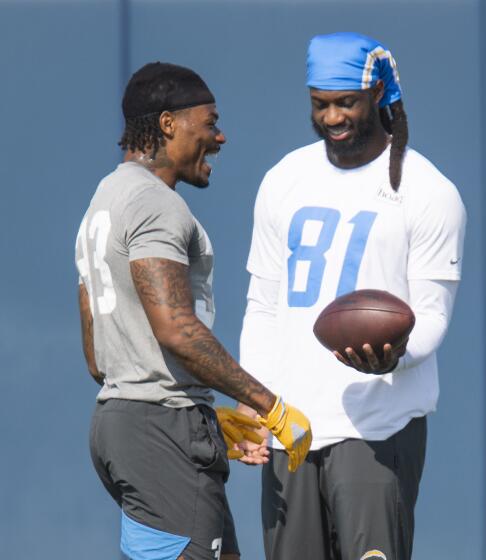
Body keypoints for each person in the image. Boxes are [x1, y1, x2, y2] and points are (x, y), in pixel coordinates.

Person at [236, 32, 467, 560]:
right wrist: (256, 401)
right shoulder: (284, 179)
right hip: (289, 427)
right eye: (321, 104)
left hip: (376, 428)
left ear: (378, 95)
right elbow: (263, 303)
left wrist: (395, 355)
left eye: (346, 103)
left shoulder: (428, 191)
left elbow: (431, 316)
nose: (332, 117)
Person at [75, 62, 312, 560]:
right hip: (160, 430)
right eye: (209, 123)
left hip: (123, 422)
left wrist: (203, 412)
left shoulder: (104, 198)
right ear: (167, 124)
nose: (220, 137)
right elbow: (176, 328)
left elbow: (98, 357)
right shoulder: (156, 204)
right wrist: (270, 405)